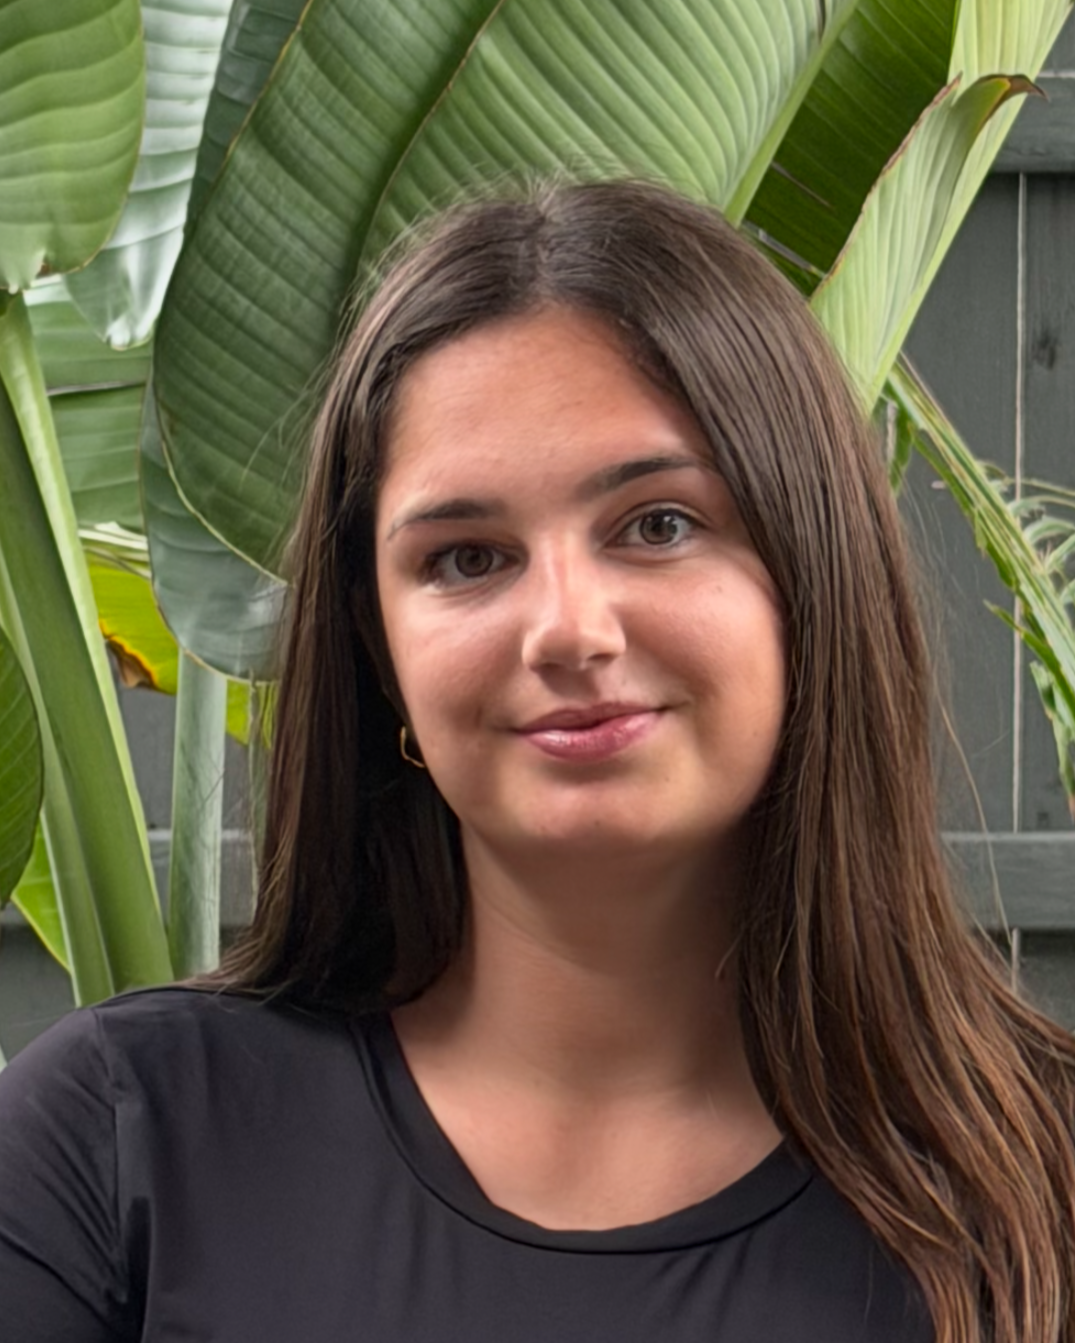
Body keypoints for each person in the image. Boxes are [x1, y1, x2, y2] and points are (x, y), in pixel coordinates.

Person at [1, 179, 1073, 1343]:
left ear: (808, 576)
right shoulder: (119, 1141)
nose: (566, 627)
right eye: (466, 558)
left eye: (657, 523)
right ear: (379, 649)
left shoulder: (1042, 1187)